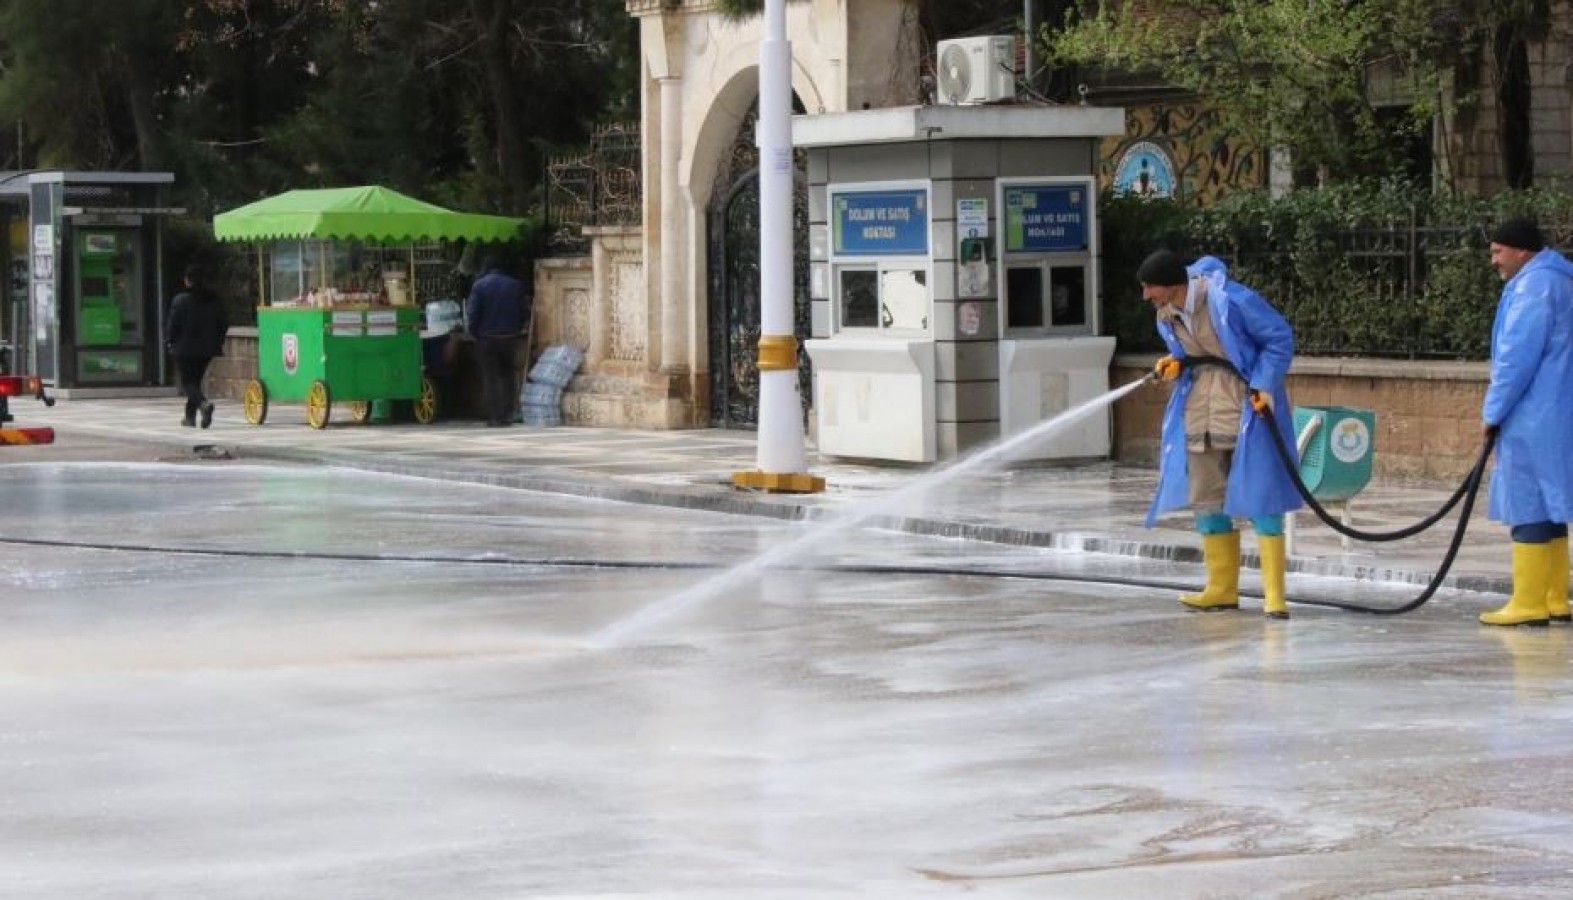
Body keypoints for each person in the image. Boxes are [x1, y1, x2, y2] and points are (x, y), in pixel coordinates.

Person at [1140, 249, 1302, 619]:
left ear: (1171, 284)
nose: (1146, 295)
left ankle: (1274, 594)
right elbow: (1186, 354)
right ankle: (1221, 589)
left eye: (1150, 287)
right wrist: (1175, 362)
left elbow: (1278, 338)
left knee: (1261, 494)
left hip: (1245, 406)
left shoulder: (1233, 301)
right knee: (1207, 498)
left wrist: (1263, 383)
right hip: (1200, 411)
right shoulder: (1167, 314)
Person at [1475, 218, 1573, 627]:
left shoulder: (1534, 286)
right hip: (1558, 409)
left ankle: (1529, 601)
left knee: (1528, 502)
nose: (1494, 260)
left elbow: (1516, 357)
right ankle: (1555, 598)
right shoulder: (1561, 280)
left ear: (1522, 251)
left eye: (1498, 251)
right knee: (1552, 503)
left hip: (1531, 413)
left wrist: (1492, 411)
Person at [464, 254, 532, 427]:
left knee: (491, 378)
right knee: (508, 376)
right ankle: (507, 414)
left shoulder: (479, 286)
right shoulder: (516, 286)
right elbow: (525, 312)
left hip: (487, 339)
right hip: (510, 338)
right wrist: (517, 329)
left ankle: (495, 417)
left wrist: (474, 332)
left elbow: (473, 314)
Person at [166, 263, 229, 429]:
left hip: (184, 348)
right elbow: (223, 324)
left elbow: (173, 325)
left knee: (188, 383)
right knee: (195, 382)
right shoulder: (214, 299)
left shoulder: (180, 300)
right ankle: (190, 417)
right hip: (207, 348)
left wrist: (169, 340)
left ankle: (203, 404)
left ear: (187, 281)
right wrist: (218, 341)